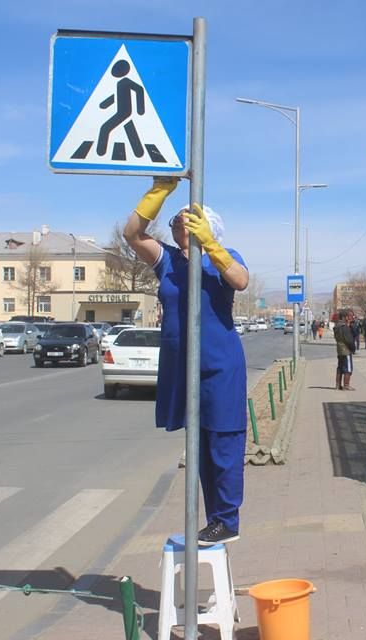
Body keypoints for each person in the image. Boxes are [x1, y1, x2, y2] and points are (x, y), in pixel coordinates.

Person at [123, 177, 249, 546]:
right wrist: (160, 191)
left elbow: (240, 280)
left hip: (220, 364)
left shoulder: (223, 256)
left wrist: (209, 244)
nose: (180, 223)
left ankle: (227, 519)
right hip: (183, 366)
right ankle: (214, 521)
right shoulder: (168, 260)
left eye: (189, 219)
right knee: (199, 445)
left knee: (223, 439)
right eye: (177, 220)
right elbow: (132, 234)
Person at [333, 310, 355, 390]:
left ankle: (337, 385)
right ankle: (346, 385)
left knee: (340, 367)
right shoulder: (344, 327)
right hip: (346, 350)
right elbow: (349, 340)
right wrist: (353, 348)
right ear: (344, 317)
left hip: (339, 349)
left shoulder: (337, 326)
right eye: (348, 316)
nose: (349, 318)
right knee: (348, 368)